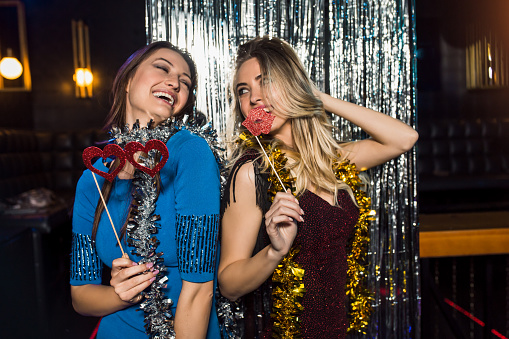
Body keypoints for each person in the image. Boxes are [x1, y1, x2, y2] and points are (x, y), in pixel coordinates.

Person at [217, 36, 419, 338]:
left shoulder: (332, 160)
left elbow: (404, 138)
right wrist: (274, 252)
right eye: (243, 91)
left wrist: (316, 97)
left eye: (266, 81)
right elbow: (229, 284)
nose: (254, 98)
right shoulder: (251, 171)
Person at [70, 41, 221, 338]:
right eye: (162, 68)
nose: (175, 82)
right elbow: (81, 296)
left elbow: (200, 289)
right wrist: (122, 293)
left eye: (185, 82)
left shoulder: (190, 153)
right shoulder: (93, 180)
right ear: (127, 81)